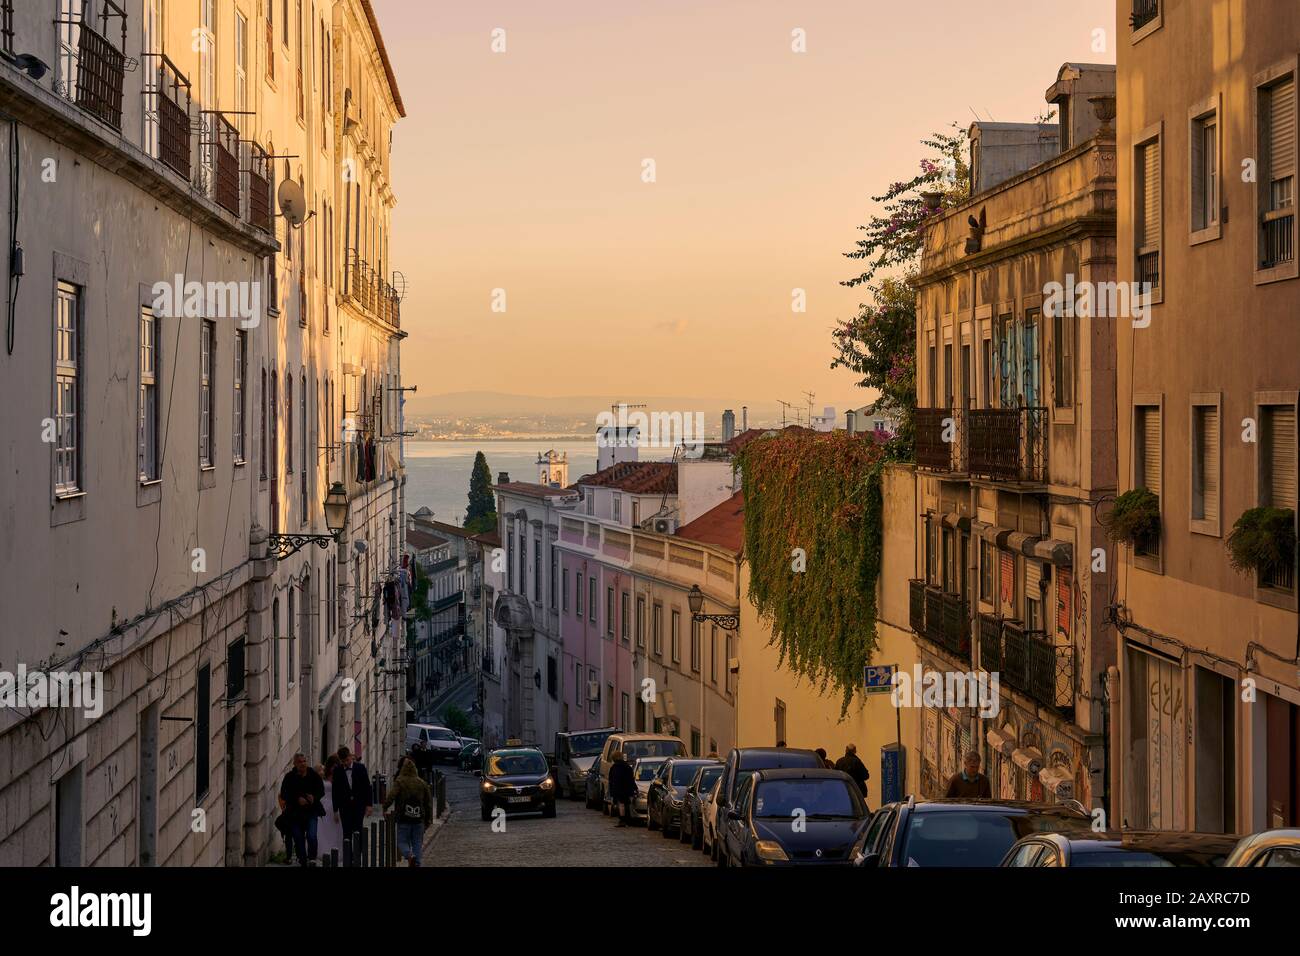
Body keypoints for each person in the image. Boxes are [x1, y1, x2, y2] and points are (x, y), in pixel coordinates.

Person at [383, 759, 434, 866]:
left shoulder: (400, 781)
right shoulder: (422, 783)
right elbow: (428, 802)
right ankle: (417, 863)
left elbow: (392, 796)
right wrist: (428, 819)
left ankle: (409, 855)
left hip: (403, 817)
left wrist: (385, 807)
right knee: (417, 844)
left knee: (401, 842)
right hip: (419, 818)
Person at [278, 752, 325, 867]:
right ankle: (302, 859)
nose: (303, 764)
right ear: (295, 764)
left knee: (311, 835)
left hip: (311, 811)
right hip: (295, 813)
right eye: (300, 762)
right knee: (298, 837)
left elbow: (321, 790)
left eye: (304, 761)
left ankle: (312, 858)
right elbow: (284, 794)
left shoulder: (313, 775)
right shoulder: (289, 777)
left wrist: (314, 797)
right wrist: (296, 799)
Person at [333, 746, 374, 844]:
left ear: (351, 756)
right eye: (343, 761)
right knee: (346, 832)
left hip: (359, 805)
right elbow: (335, 791)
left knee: (358, 830)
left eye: (347, 760)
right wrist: (335, 810)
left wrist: (369, 805)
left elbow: (367, 787)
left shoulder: (360, 768)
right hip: (344, 806)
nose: (346, 763)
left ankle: (358, 854)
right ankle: (348, 856)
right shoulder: (337, 771)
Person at [317, 755, 343, 862]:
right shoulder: (323, 776)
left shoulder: (340, 776)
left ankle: (336, 851)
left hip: (335, 806)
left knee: (335, 830)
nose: (334, 768)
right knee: (323, 830)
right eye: (332, 765)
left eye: (336, 765)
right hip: (323, 805)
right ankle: (323, 851)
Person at [607, 750, 636, 827]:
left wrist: (612, 792)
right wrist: (634, 788)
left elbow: (611, 781)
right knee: (627, 804)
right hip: (627, 788)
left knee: (621, 804)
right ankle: (628, 820)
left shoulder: (614, 768)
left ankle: (622, 820)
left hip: (618, 789)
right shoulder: (627, 767)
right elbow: (631, 779)